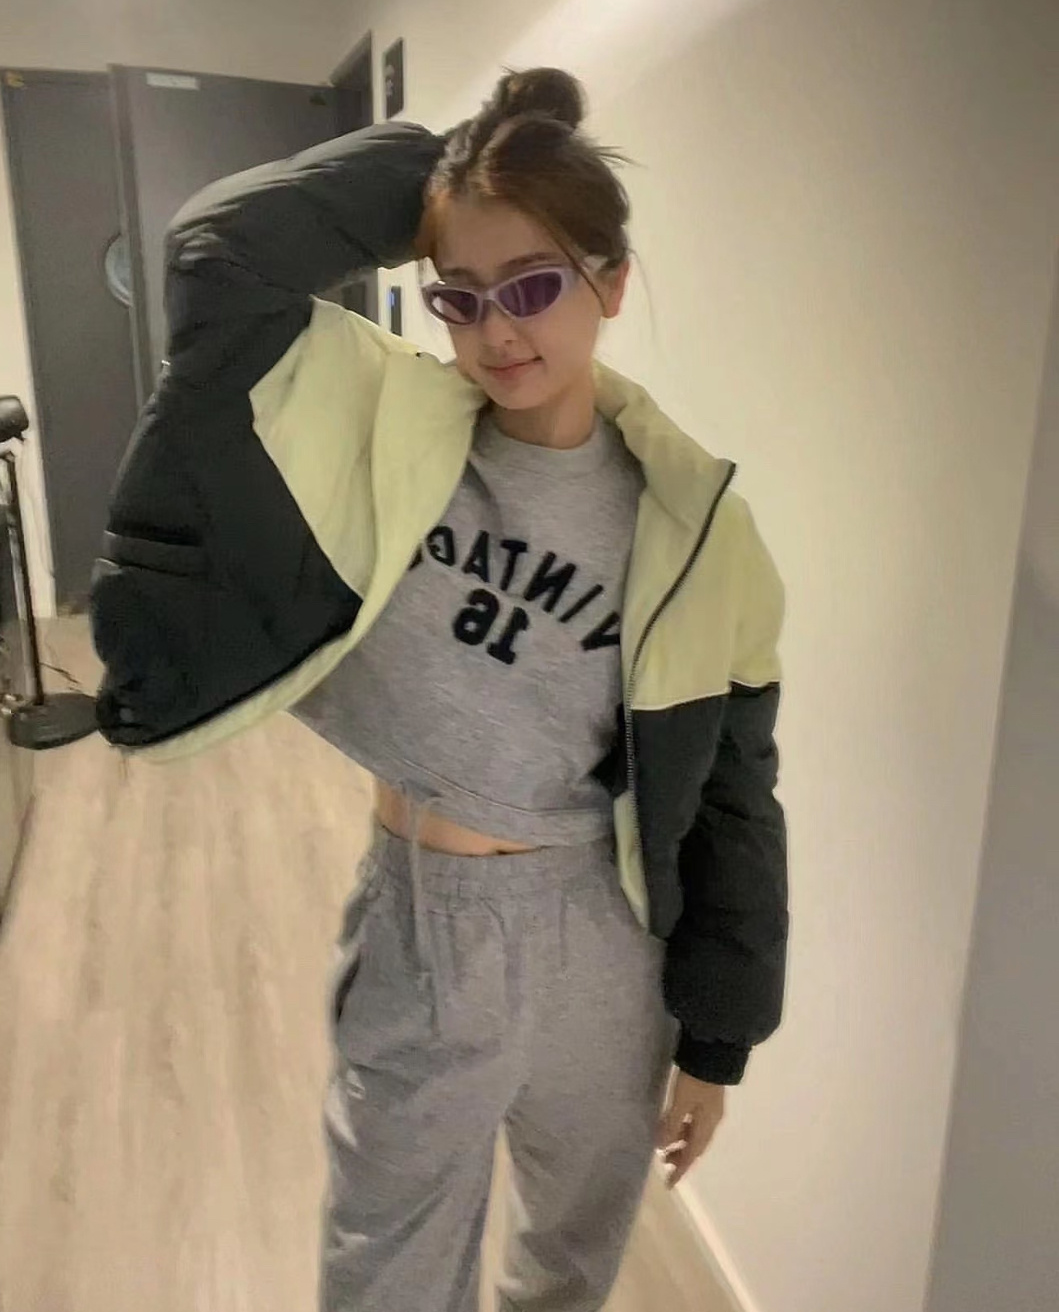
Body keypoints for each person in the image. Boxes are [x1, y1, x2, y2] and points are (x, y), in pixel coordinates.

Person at [92, 67, 788, 1312]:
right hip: (424, 919)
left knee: (571, 1260)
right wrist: (453, 164)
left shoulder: (696, 527)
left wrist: (717, 1038)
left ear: (612, 283)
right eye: (459, 295)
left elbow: (737, 794)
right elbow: (214, 253)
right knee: (386, 1274)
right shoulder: (385, 418)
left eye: (533, 286)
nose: (496, 330)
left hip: (602, 932)